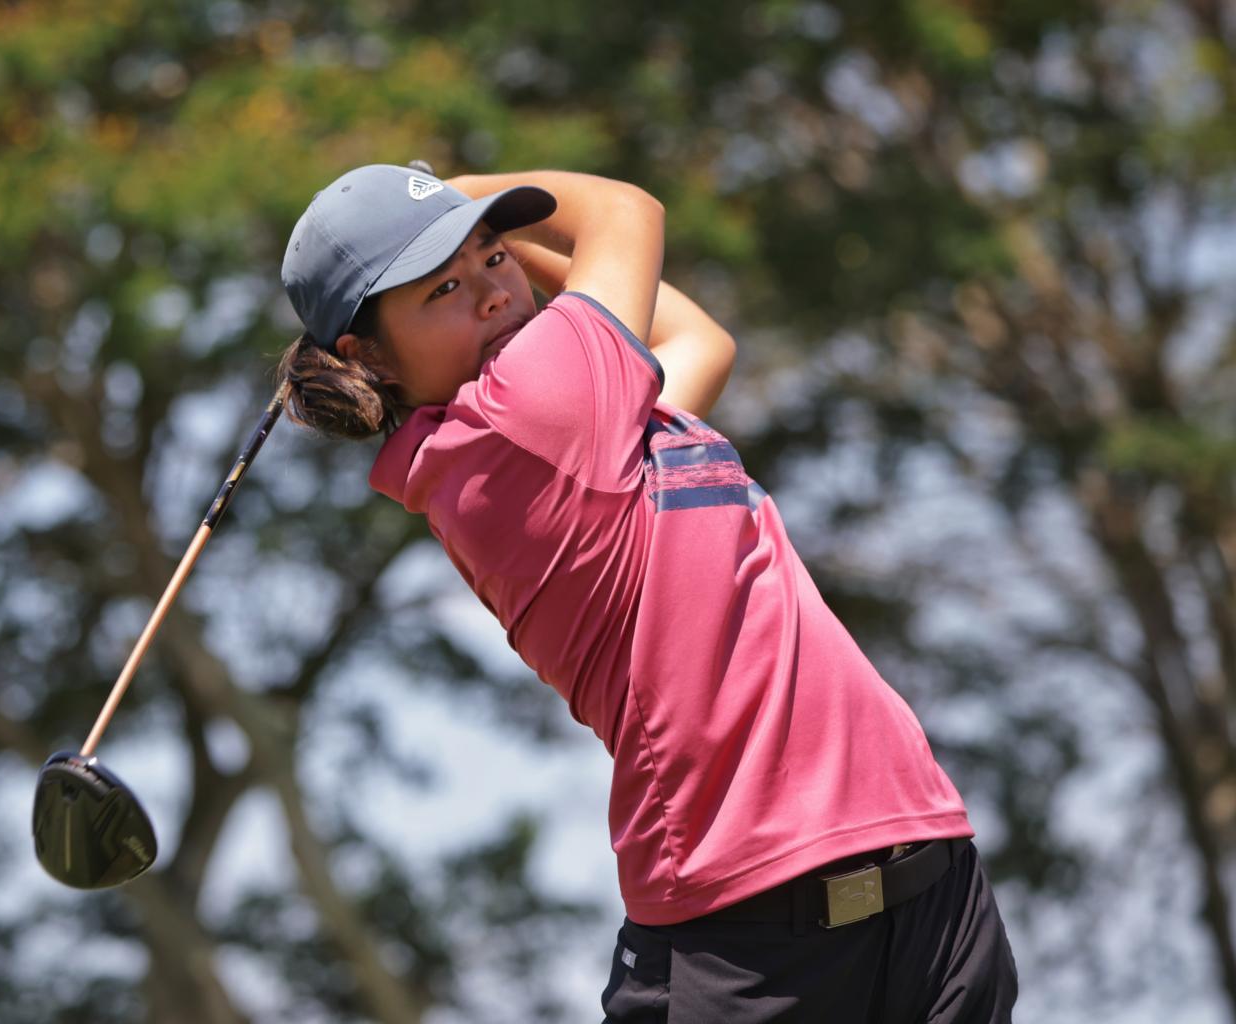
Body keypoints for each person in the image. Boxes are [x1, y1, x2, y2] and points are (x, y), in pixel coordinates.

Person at [277, 163, 1018, 1022]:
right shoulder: (522, 417)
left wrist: (456, 226)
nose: (492, 295)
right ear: (366, 358)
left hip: (923, 870)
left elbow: (700, 342)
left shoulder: (578, 428)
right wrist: (466, 187)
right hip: (751, 934)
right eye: (442, 287)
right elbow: (623, 212)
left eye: (495, 259)